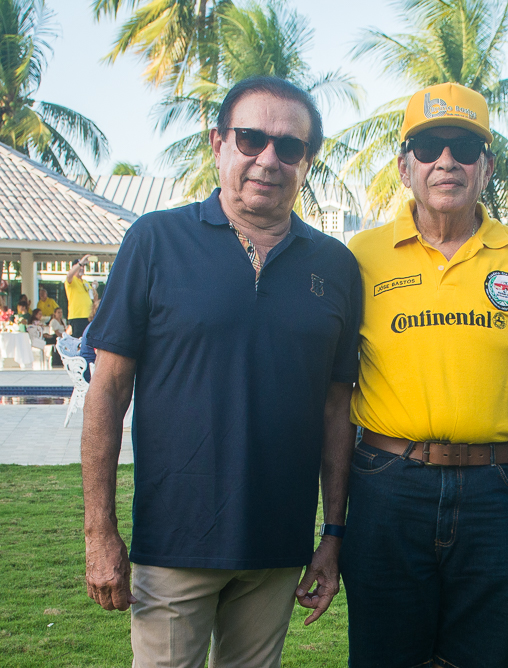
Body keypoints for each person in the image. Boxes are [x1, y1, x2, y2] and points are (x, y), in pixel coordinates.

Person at [80, 76, 362, 668]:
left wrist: (332, 534)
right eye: (251, 138)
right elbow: (107, 392)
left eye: (289, 147)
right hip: (174, 543)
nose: (268, 159)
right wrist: (98, 532)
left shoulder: (334, 265)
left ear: (307, 160)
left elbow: (339, 409)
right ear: (218, 143)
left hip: (278, 547)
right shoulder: (155, 241)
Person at [340, 82, 508, 668]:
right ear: (404, 166)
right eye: (428, 147)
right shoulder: (360, 256)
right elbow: (335, 396)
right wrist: (333, 527)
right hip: (389, 484)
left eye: (464, 148)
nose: (446, 161)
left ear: (486, 166)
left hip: (500, 493)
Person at [64, 255, 94, 336]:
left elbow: (93, 298)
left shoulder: (85, 282)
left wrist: (94, 288)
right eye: (80, 266)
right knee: (77, 339)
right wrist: (80, 263)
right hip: (77, 316)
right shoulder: (72, 281)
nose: (82, 268)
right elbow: (69, 275)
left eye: (83, 266)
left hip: (88, 316)